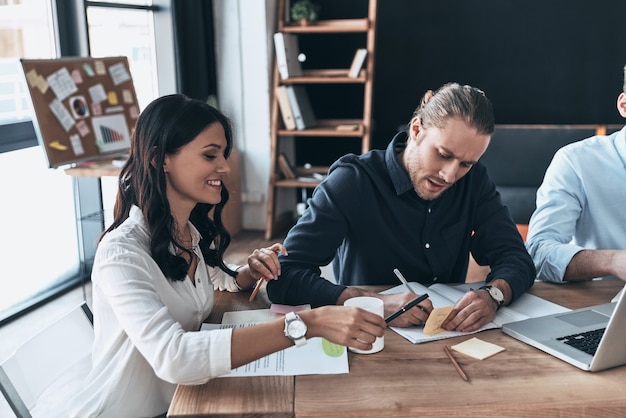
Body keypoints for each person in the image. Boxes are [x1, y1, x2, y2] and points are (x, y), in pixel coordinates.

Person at [69, 94, 385, 418]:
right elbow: (173, 356)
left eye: (224, 154)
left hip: (184, 401)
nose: (225, 167)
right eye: (210, 155)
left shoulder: (186, 232)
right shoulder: (121, 253)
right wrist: (307, 323)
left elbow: (214, 280)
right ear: (159, 159)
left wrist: (247, 271)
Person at [267, 82, 535, 333]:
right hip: (366, 338)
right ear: (416, 130)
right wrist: (371, 303)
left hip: (447, 338)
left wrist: (494, 295)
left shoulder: (474, 182)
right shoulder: (353, 181)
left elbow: (517, 258)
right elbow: (284, 276)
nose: (451, 175)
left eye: (466, 164)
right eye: (443, 154)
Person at [525, 65, 626, 283]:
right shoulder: (576, 160)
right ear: (624, 106)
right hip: (605, 303)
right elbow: (538, 253)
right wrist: (613, 261)